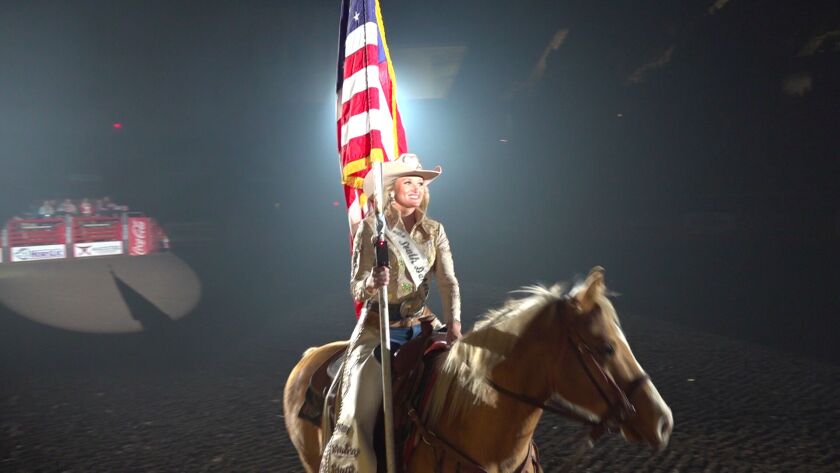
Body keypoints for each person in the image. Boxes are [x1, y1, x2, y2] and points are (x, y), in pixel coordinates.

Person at [320, 153, 462, 472]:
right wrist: (373, 281)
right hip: (378, 327)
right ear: (391, 189)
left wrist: (454, 322)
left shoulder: (435, 231)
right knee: (358, 411)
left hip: (424, 322)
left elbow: (448, 281)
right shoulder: (371, 228)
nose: (415, 188)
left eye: (420, 183)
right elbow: (356, 286)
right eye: (407, 182)